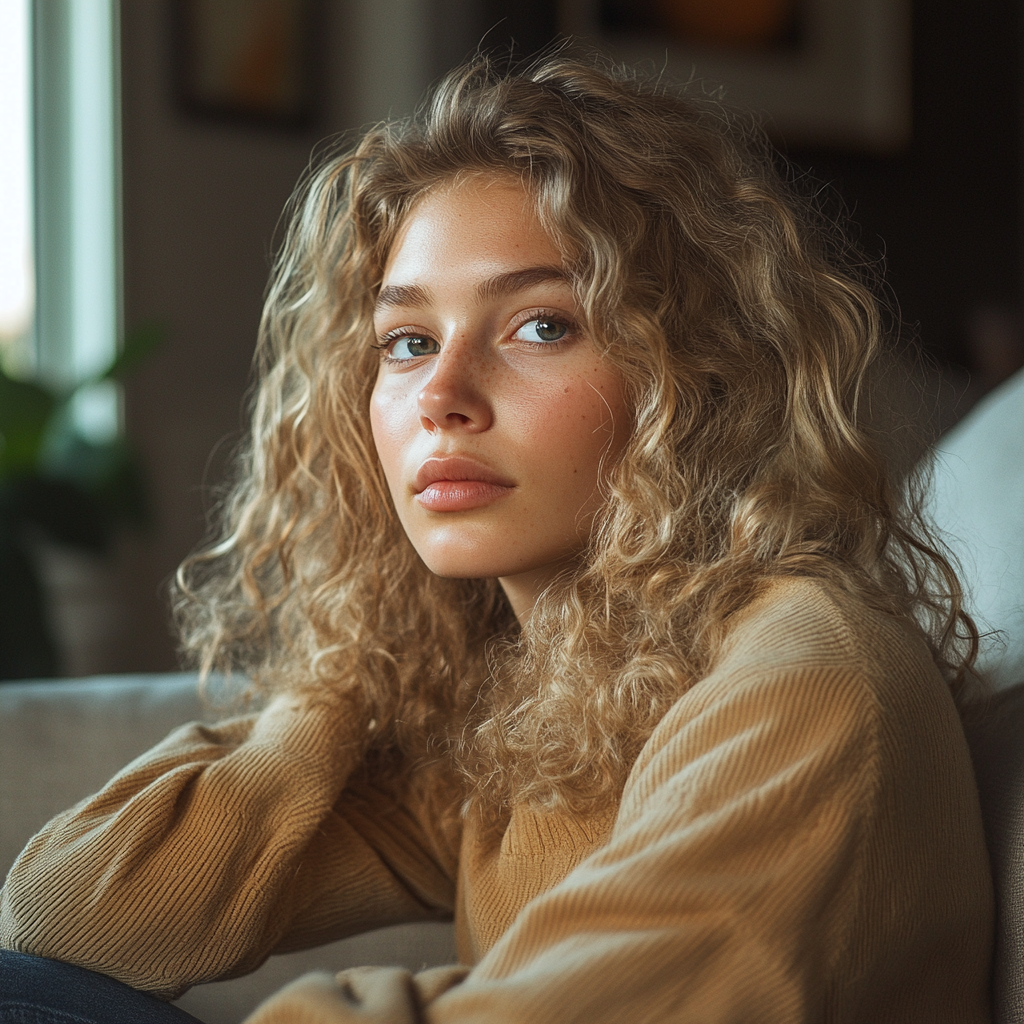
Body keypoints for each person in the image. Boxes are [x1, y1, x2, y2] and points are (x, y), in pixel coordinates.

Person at [0, 52, 993, 1024]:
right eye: (408, 341)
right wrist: (346, 672)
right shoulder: (536, 693)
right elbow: (74, 917)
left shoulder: (807, 682)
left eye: (540, 326)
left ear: (698, 377)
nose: (440, 397)